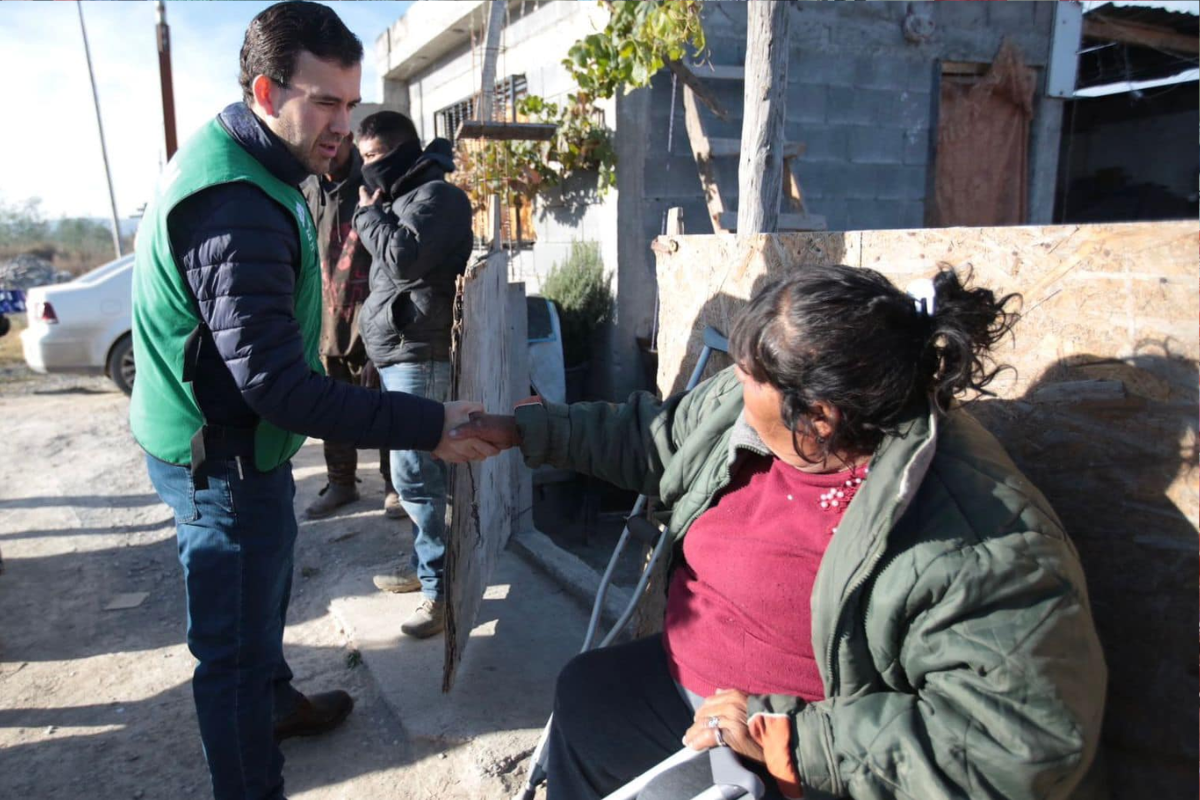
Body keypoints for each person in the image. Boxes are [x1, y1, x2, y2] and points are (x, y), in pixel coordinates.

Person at [453, 265, 1108, 800]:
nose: (734, 389)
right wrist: (523, 431)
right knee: (588, 695)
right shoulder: (753, 405)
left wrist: (794, 740)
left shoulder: (978, 540)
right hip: (695, 691)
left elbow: (1022, 741)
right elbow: (654, 439)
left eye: (749, 381)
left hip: (814, 750)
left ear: (820, 418)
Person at [128, 3, 496, 799]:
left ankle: (276, 701)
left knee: (266, 582)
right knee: (228, 645)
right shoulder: (234, 205)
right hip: (218, 453)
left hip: (232, 437)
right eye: (325, 102)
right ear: (267, 89)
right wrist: (425, 424)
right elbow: (276, 386)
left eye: (351, 103)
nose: (343, 124)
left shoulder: (257, 158)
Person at [351, 110, 474, 638]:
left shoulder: (438, 198)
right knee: (413, 479)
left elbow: (403, 259)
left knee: (419, 477)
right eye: (362, 159)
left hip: (420, 355)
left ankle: (440, 592)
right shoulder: (400, 200)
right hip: (398, 351)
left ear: (401, 150)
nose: (366, 169)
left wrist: (366, 219)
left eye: (373, 157)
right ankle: (428, 569)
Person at [299, 135, 401, 520]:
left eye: (333, 142)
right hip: (324, 317)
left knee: (385, 405)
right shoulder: (308, 189)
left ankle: (394, 486)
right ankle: (341, 481)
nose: (325, 150)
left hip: (370, 316)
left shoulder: (373, 186)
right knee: (329, 409)